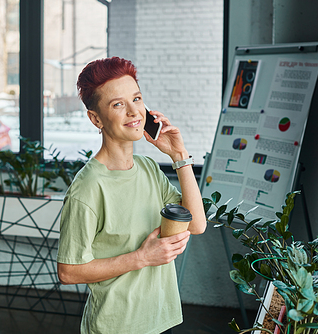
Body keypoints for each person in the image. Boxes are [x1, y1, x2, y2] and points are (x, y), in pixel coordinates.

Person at [57, 57, 206, 334]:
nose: (134, 112)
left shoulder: (149, 169)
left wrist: (179, 156)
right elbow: (68, 271)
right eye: (118, 104)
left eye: (136, 99)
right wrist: (141, 258)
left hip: (162, 319)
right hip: (117, 326)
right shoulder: (88, 188)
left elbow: (196, 224)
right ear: (96, 118)